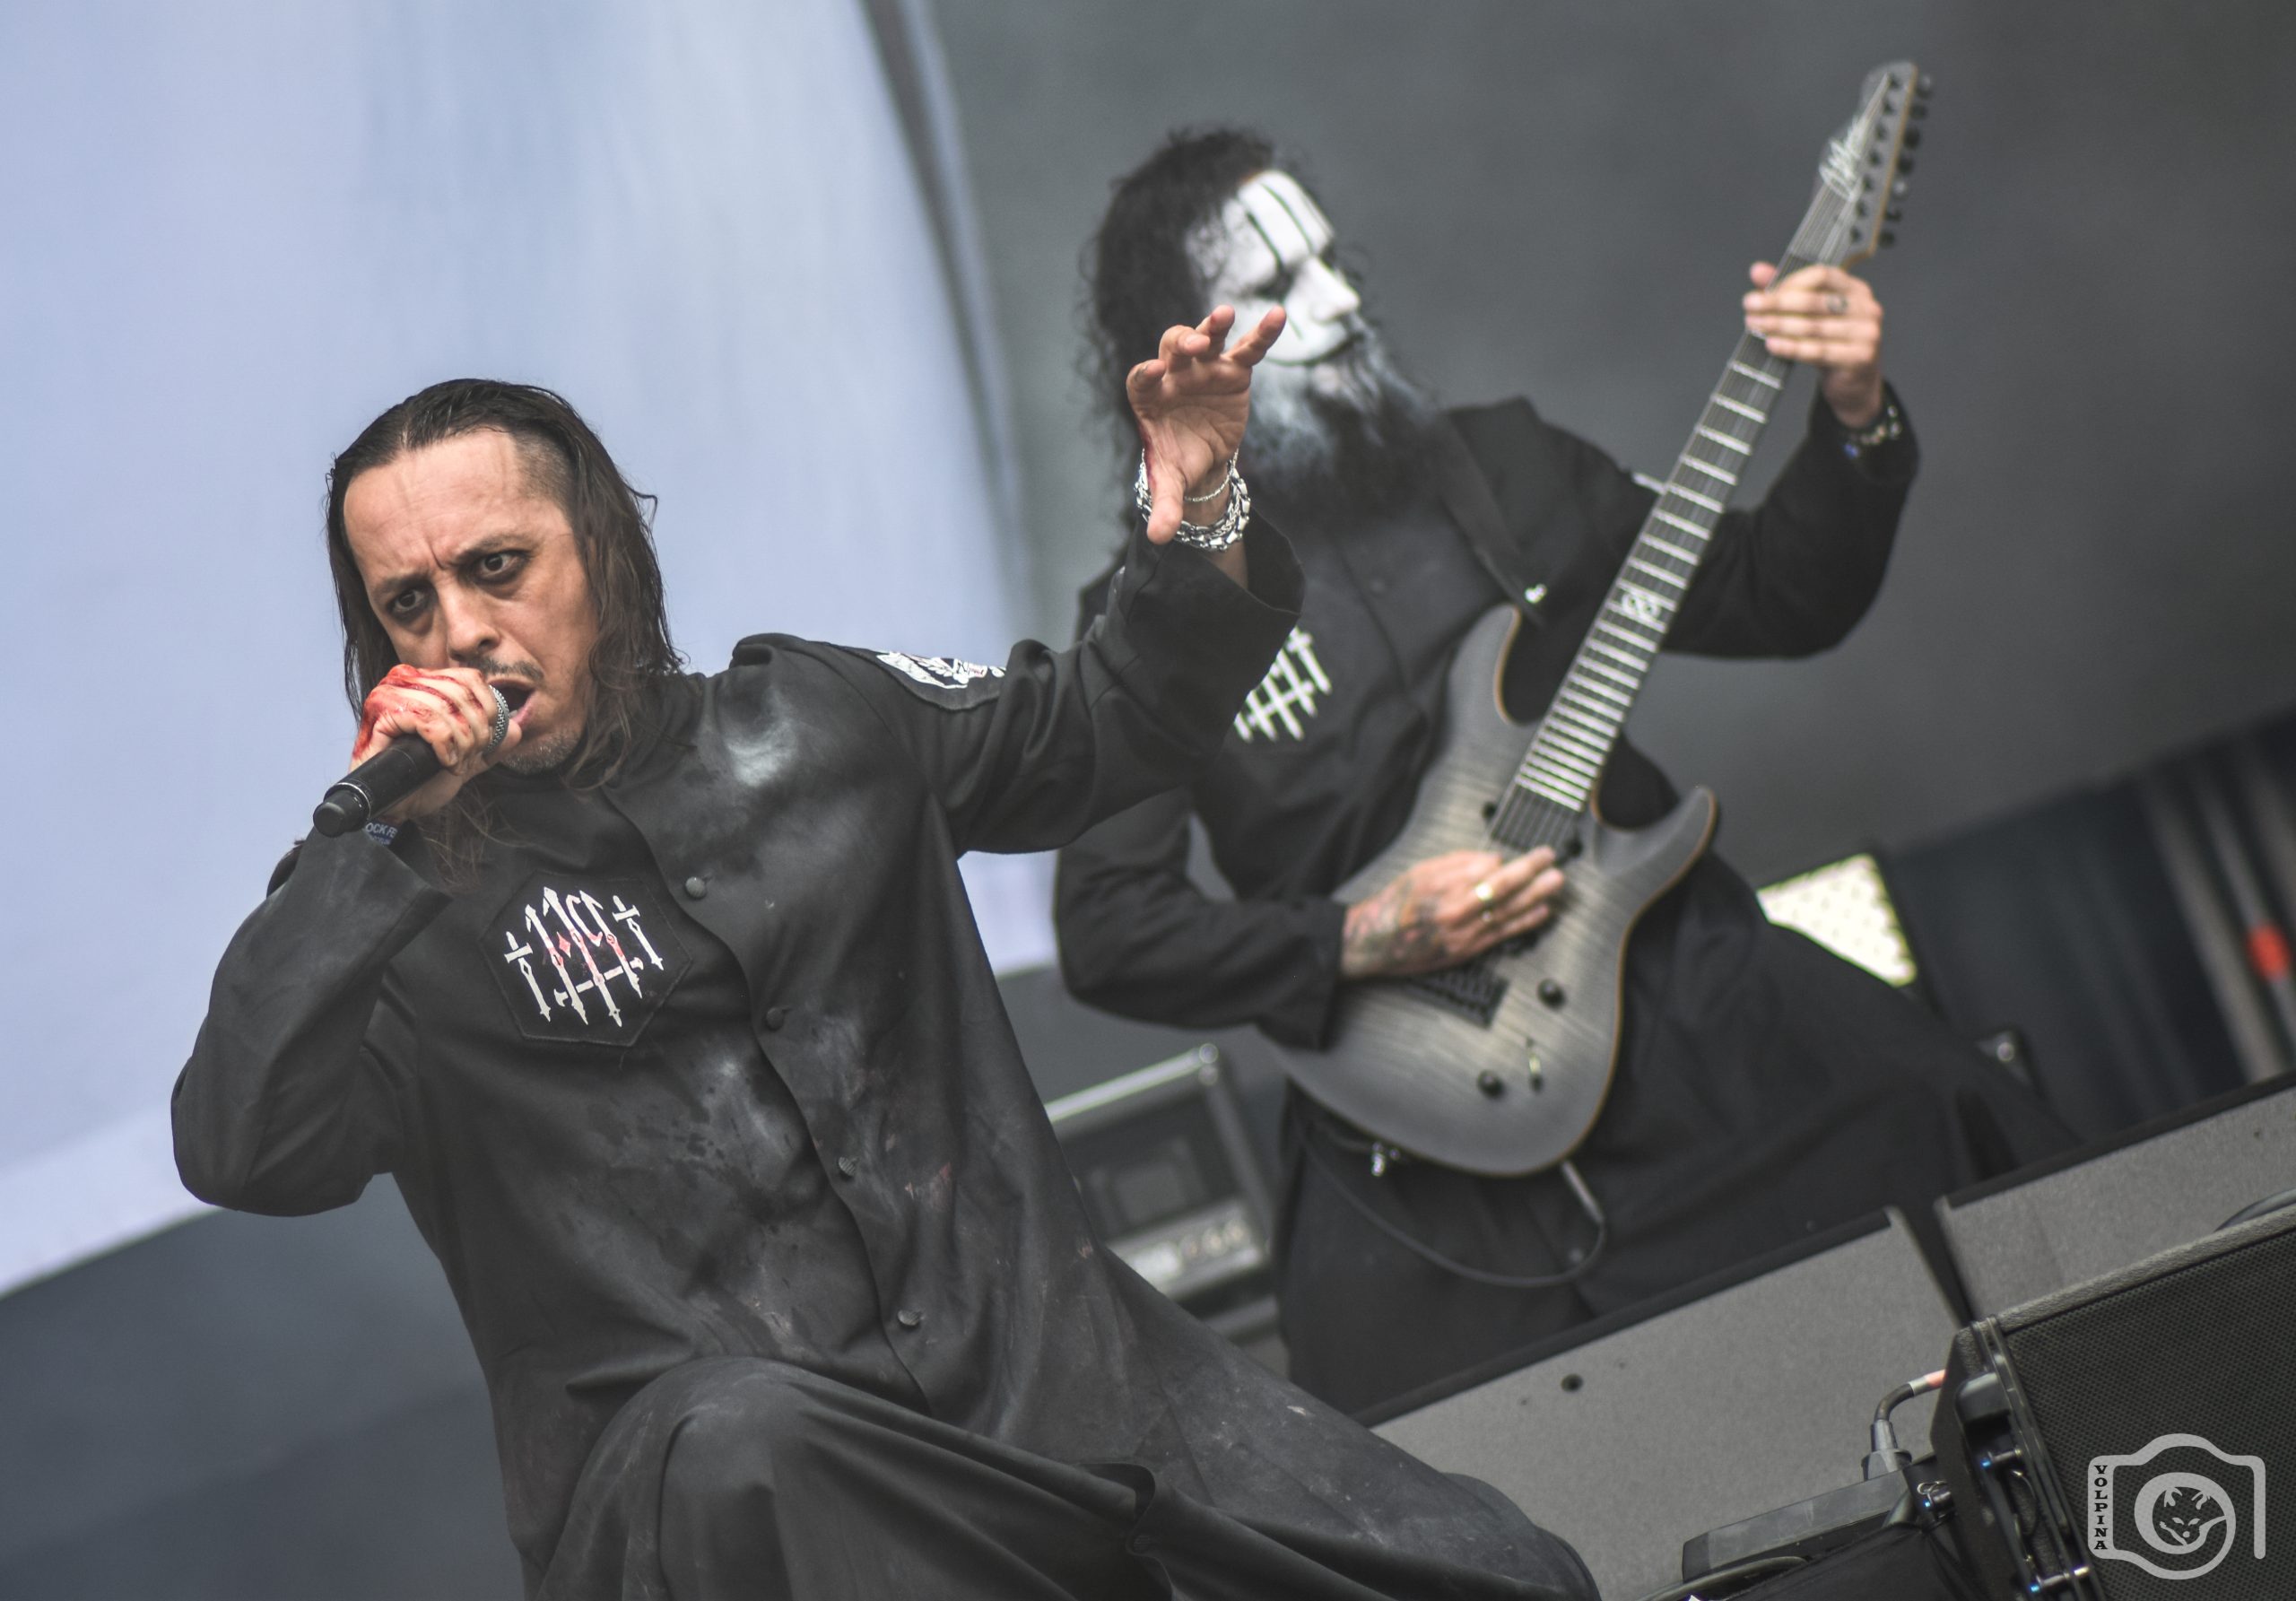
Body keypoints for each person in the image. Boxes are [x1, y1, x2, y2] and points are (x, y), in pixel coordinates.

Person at [174, 326, 1599, 1600]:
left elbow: (1109, 727)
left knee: (1514, 1575)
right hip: (717, 1508)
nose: (461, 630)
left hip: (1054, 1414)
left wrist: (1206, 504)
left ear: (600, 549)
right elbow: (245, 1147)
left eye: (496, 568)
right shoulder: (391, 908)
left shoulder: (819, 720)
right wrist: (368, 843)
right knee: (749, 1437)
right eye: (407, 603)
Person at [1055, 129, 2074, 1415]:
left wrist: (1856, 414)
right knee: (1409, 1449)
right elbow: (1109, 926)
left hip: (1681, 1001)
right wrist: (1358, 937)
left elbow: (1781, 592)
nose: (1343, 298)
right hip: (1415, 1119)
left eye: (1332, 257)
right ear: (1186, 349)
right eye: (1281, 285)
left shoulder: (1506, 465)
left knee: (1980, 1152)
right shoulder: (1153, 613)